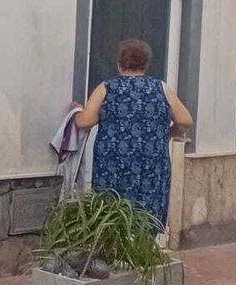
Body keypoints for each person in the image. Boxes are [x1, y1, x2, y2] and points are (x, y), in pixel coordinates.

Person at [75, 38, 194, 230]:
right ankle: (144, 244)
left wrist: (76, 111)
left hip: (113, 164)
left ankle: (114, 244)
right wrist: (168, 133)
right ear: (146, 63)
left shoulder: (107, 88)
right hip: (151, 164)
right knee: (147, 215)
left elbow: (84, 122)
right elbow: (185, 121)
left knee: (112, 214)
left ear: (119, 63)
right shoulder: (162, 89)